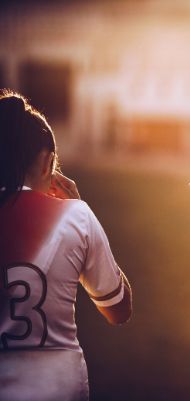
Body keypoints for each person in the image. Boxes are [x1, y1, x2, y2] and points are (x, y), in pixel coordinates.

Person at [0, 90, 132, 401]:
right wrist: (77, 205)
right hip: (57, 385)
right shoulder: (76, 215)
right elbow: (118, 310)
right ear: (47, 165)